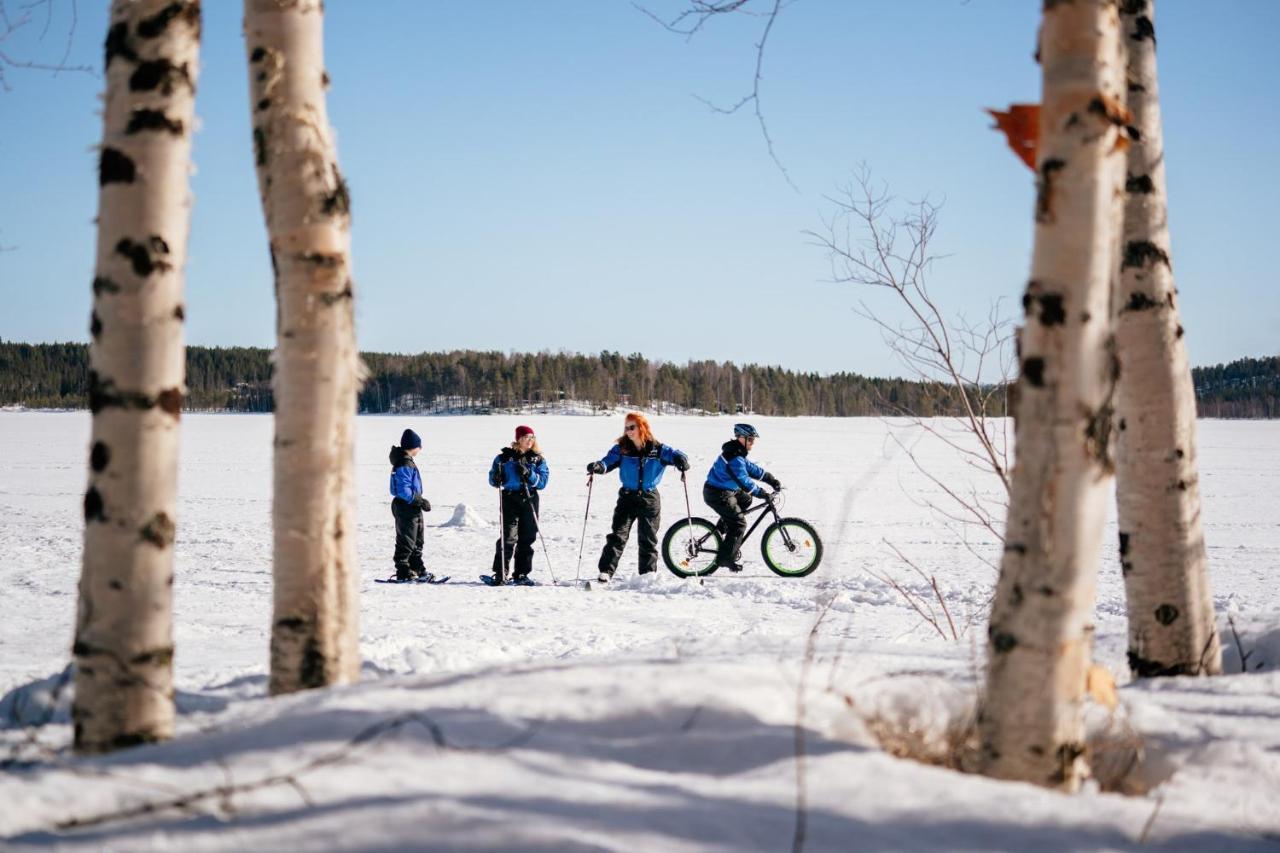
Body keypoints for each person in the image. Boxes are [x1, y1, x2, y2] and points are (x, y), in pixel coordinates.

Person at [587, 412, 690, 583]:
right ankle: (605, 571)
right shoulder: (622, 448)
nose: (628, 431)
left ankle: (647, 576)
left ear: (642, 427)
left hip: (649, 498)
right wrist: (598, 466)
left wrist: (681, 459)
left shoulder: (657, 449)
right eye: (626, 427)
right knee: (618, 535)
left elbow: (676, 454)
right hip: (627, 497)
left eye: (631, 427)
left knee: (647, 538)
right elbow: (608, 462)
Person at [703, 423, 782, 572]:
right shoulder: (734, 457)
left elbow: (752, 469)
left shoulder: (737, 453)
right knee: (739, 525)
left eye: (753, 439)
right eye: (750, 439)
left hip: (726, 490)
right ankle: (725, 558)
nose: (753, 442)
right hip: (717, 493)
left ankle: (723, 527)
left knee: (746, 499)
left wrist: (770, 479)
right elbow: (743, 481)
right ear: (741, 438)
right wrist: (761, 493)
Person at [488, 425, 550, 585]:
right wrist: (496, 478)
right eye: (525, 437)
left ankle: (521, 573)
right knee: (508, 536)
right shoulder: (503, 458)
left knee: (527, 537)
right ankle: (501, 572)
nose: (529, 441)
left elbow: (542, 482)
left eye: (532, 437)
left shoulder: (537, 459)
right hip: (510, 498)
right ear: (518, 439)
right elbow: (492, 478)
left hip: (529, 498)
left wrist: (529, 474)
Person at [389, 428, 432, 581]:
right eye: (419, 446)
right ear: (413, 447)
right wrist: (419, 500)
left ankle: (416, 567)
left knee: (417, 539)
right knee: (407, 539)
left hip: (412, 505)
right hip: (406, 505)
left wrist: (418, 502)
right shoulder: (404, 464)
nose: (420, 449)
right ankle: (403, 570)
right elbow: (403, 489)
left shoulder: (406, 462)